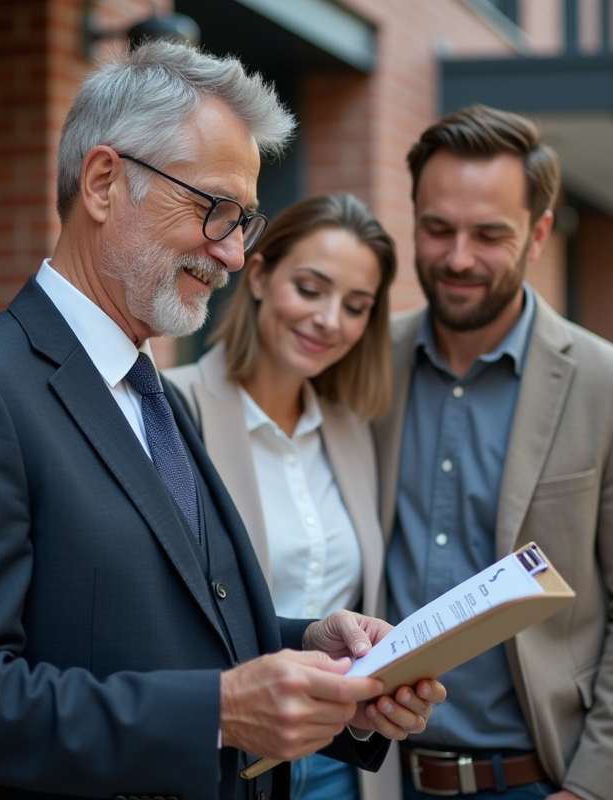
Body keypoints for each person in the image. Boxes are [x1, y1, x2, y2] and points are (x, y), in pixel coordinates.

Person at [0, 42, 443, 800]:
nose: (233, 255)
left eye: (245, 221)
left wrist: (317, 654)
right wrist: (220, 712)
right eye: (214, 210)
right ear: (103, 183)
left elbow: (172, 622)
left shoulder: (148, 389)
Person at [372, 105, 613, 800]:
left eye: (489, 235)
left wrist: (593, 787)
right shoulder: (365, 364)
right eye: (437, 229)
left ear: (537, 234)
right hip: (378, 777)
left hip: (534, 780)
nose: (457, 258)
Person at [166, 193, 396, 800]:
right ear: (261, 275)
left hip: (345, 764)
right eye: (312, 288)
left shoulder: (352, 431)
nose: (329, 320)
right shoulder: (174, 406)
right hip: (233, 761)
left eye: (356, 306)